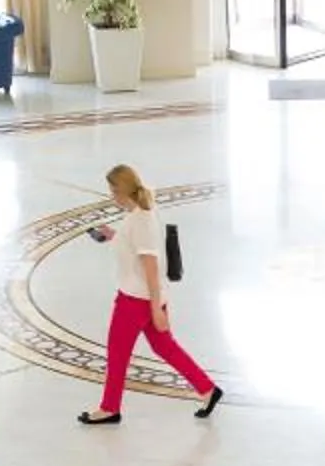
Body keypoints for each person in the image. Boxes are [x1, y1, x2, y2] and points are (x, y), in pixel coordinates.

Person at [78, 162, 220, 426]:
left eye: (112, 191)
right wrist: (115, 236)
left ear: (121, 191)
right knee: (164, 346)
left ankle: (109, 408)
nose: (111, 196)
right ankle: (207, 389)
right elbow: (138, 243)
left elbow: (151, 265)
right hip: (148, 297)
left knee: (117, 353)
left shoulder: (140, 219)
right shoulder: (143, 210)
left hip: (136, 300)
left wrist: (155, 308)